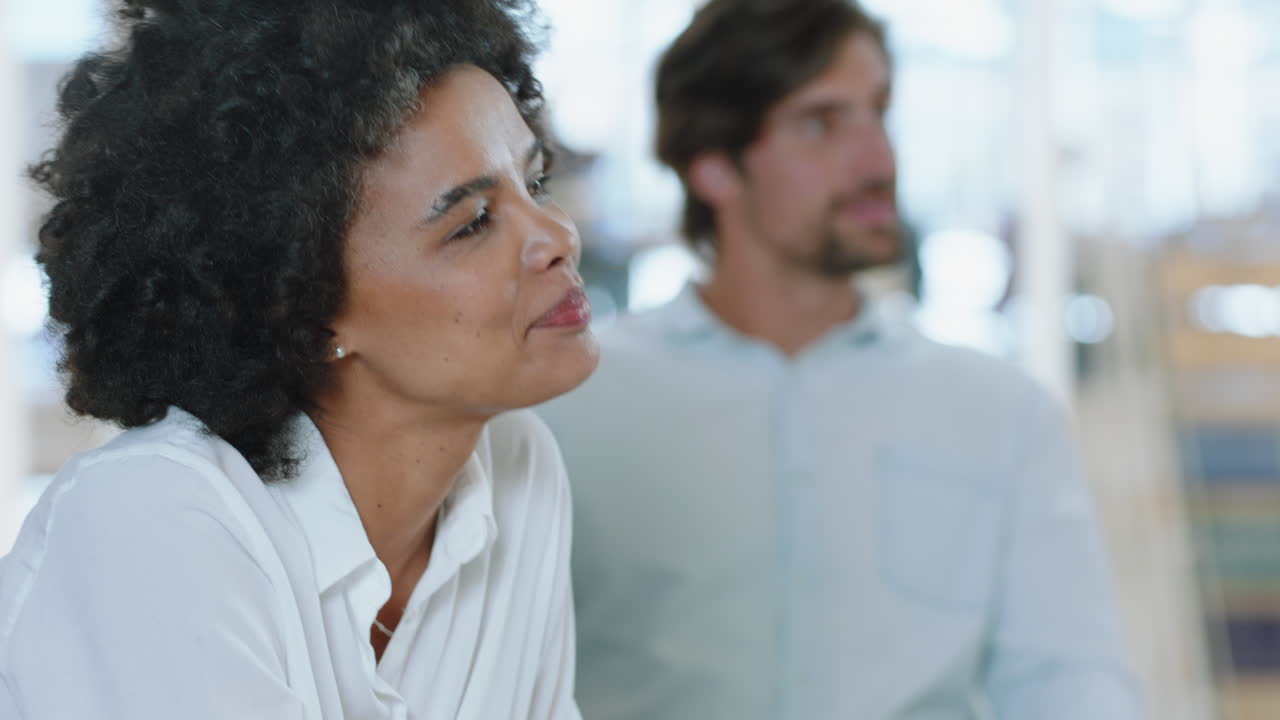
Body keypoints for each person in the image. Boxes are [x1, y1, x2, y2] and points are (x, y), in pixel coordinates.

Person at [536, 0, 1144, 718]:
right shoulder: (570, 408)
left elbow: (1068, 684)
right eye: (821, 123)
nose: (878, 160)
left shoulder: (1003, 414)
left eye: (878, 112)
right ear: (715, 170)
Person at [0, 1, 597, 718]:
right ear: (305, 305)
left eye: (534, 184)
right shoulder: (152, 520)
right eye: (471, 224)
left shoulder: (518, 469)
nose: (557, 235)